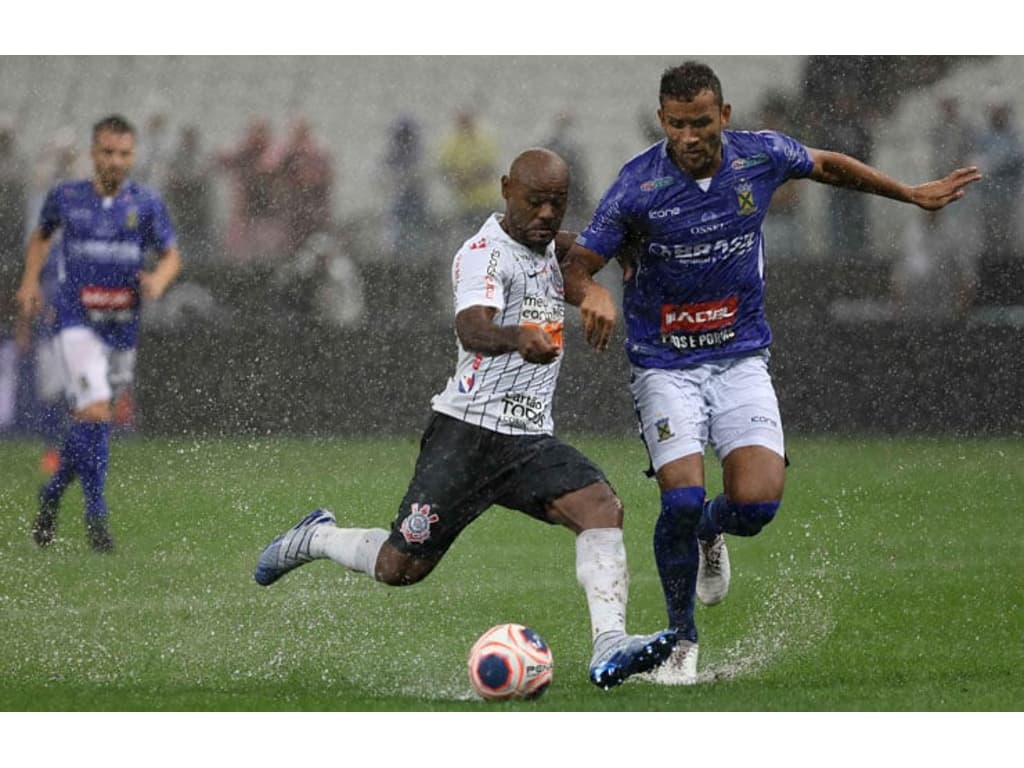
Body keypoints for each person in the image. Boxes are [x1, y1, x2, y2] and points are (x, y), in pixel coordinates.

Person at [561, 61, 981, 684]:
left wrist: (911, 193)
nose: (689, 136)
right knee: (677, 498)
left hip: (740, 359)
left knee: (755, 505)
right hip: (665, 365)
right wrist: (590, 293)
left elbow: (830, 163)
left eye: (701, 122)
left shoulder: (760, 157)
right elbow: (578, 263)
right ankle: (680, 642)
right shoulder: (636, 187)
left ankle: (713, 530)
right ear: (662, 120)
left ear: (724, 116)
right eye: (676, 124)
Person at [254, 148, 677, 690]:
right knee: (399, 567)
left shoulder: (551, 246)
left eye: (557, 203)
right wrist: (516, 338)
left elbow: (596, 251)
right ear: (506, 190)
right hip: (467, 433)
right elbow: (471, 329)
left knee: (600, 507)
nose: (547, 214)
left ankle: (610, 646)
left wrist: (607, 274)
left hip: (528, 440)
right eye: (535, 202)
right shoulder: (483, 254)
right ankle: (315, 537)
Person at [16, 114, 182, 552]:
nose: (116, 160)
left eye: (124, 153)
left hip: (121, 330)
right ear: (93, 153)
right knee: (94, 411)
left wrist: (158, 281)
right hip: (75, 324)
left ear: (133, 155)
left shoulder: (144, 203)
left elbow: (170, 256)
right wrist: (31, 281)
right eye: (108, 152)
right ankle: (97, 516)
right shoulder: (67, 196)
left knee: (95, 421)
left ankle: (51, 495)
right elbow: (40, 236)